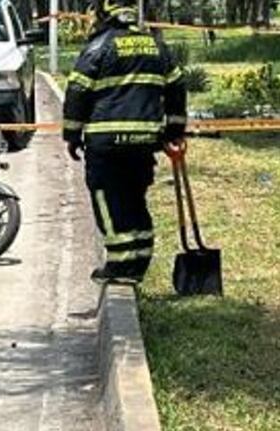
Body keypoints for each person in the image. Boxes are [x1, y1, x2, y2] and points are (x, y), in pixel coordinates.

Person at [63, 0, 187, 284]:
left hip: (107, 142)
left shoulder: (98, 46)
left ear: (105, 14)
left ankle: (120, 265)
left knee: (108, 200)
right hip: (145, 142)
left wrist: (72, 134)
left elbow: (78, 90)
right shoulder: (155, 46)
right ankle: (139, 261)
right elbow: (177, 86)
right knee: (134, 199)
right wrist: (174, 130)